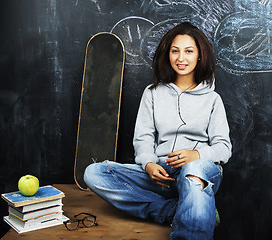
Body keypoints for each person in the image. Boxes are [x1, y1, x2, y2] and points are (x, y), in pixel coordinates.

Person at [84, 22, 232, 240]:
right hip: (161, 174)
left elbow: (224, 148)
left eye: (189, 51)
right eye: (175, 51)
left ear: (200, 55)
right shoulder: (152, 93)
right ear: (168, 54)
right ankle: (177, 211)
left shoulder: (212, 99)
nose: (181, 58)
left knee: (194, 171)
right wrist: (149, 164)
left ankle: (189, 215)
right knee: (94, 173)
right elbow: (143, 138)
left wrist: (196, 155)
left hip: (198, 171)